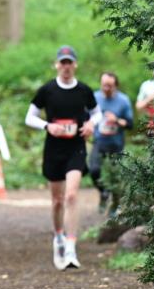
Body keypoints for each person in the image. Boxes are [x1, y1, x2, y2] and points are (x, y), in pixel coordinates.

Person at [24, 46, 101, 271]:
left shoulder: (84, 90)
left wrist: (91, 124)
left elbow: (97, 113)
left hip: (76, 147)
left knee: (72, 195)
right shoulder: (47, 90)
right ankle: (58, 235)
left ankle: (70, 247)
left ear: (75, 65)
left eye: (69, 62)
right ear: (56, 65)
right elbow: (29, 117)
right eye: (62, 62)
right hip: (54, 149)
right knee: (57, 200)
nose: (66, 67)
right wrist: (47, 126)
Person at [89, 72, 134, 215]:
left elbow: (130, 124)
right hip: (99, 141)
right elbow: (86, 118)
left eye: (109, 86)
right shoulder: (94, 98)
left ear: (116, 86)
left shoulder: (123, 100)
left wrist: (116, 120)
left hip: (116, 144)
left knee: (115, 175)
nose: (106, 88)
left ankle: (115, 206)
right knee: (94, 170)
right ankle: (103, 193)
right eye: (104, 85)